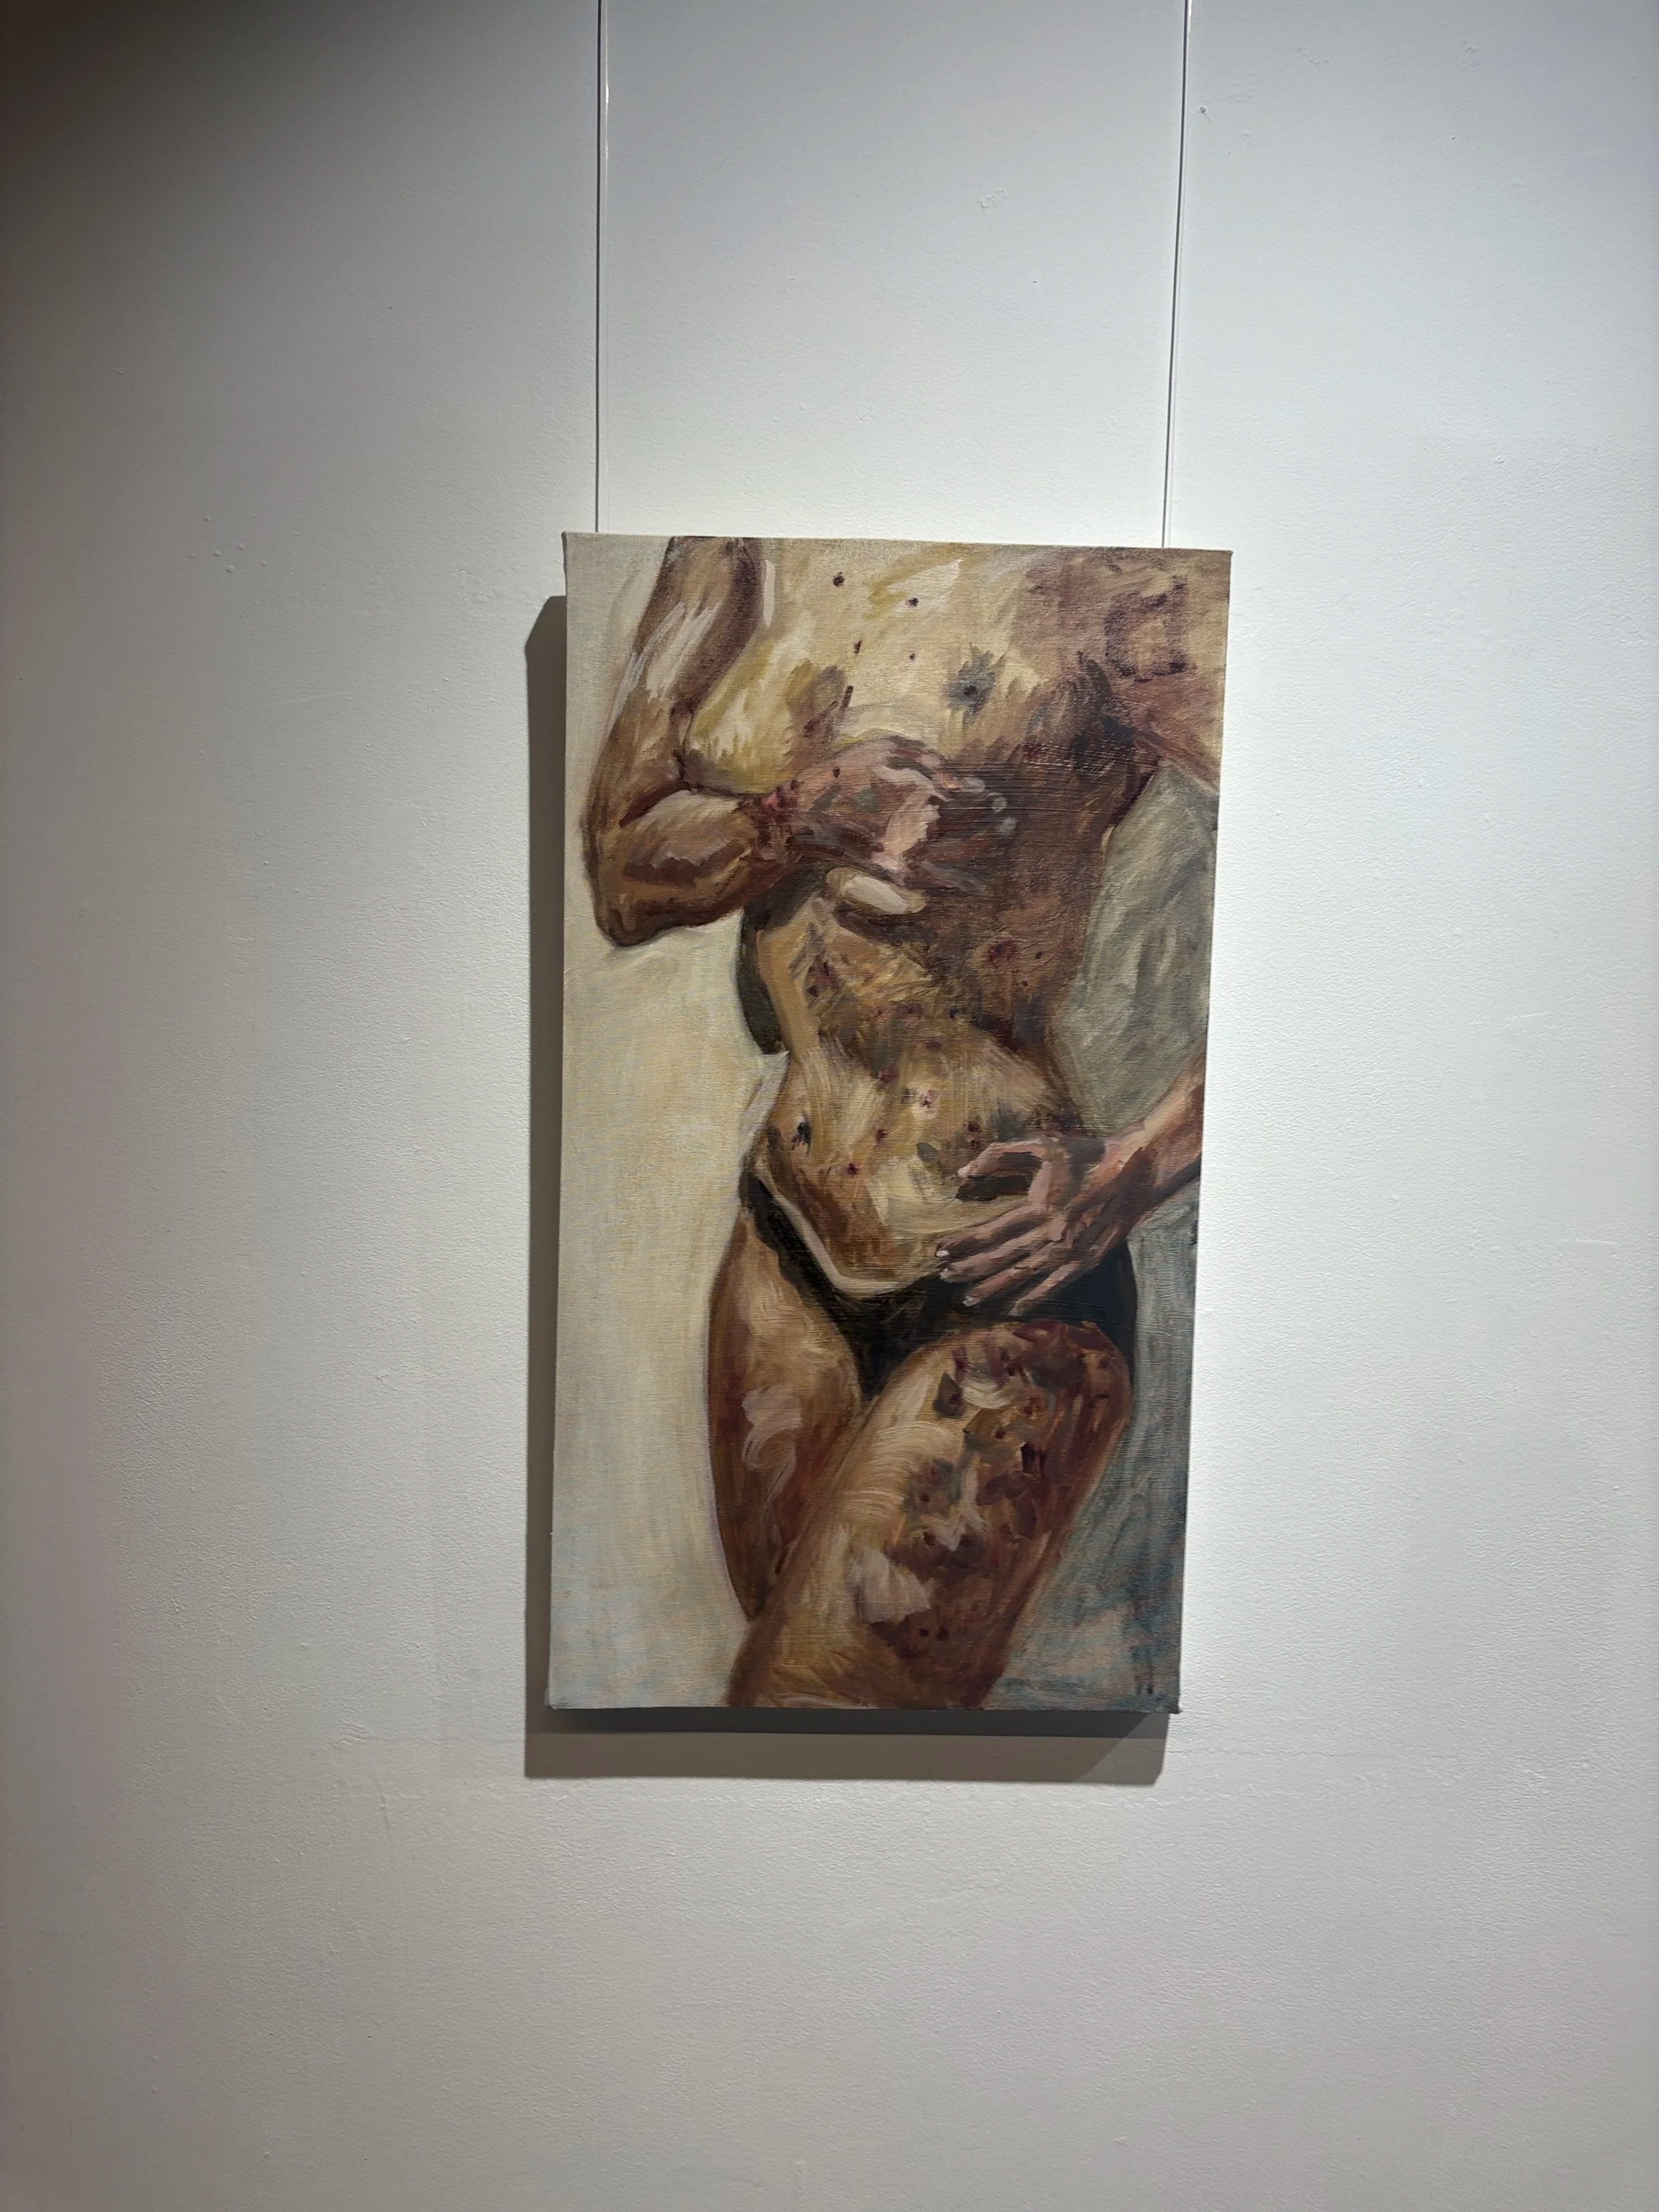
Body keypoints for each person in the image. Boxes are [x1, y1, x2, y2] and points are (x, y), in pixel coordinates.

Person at [583, 534, 1226, 1707]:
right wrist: (803, 811)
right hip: (785, 1242)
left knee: (810, 1705)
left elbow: (1342, 901)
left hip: (997, 1275)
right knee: (793, 1733)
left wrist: (1137, 1167)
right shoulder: (731, 550)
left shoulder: (1118, 585)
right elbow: (624, 874)